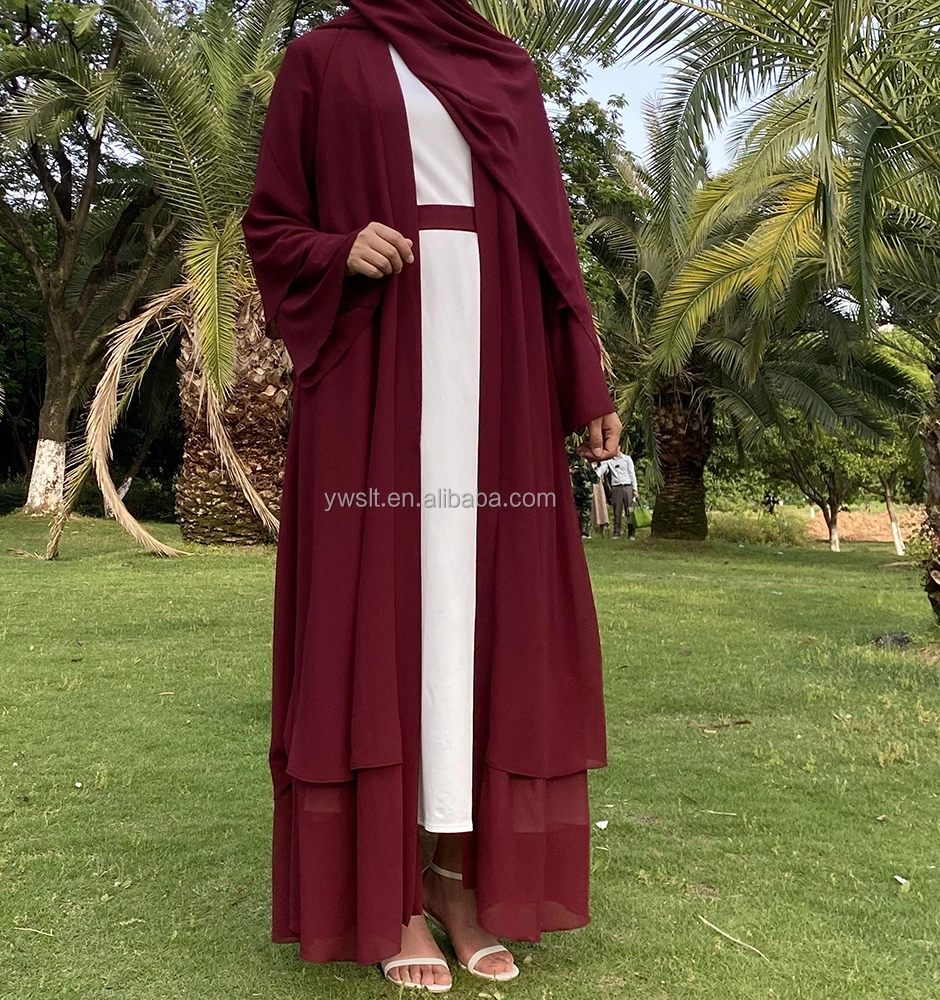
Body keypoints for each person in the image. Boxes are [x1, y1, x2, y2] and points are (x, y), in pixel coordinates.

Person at [241, 0, 621, 990]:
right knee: (382, 619)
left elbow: (549, 241)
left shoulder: (504, 69)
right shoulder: (321, 59)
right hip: (374, 366)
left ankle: (456, 884)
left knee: (485, 624)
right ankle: (392, 900)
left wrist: (584, 380)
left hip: (499, 372)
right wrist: (339, 250)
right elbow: (270, 224)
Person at [596, 451, 639, 539]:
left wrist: (635, 489)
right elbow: (602, 469)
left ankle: (631, 532)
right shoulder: (609, 460)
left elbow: (632, 473)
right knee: (617, 510)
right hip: (616, 487)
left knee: (629, 510)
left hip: (627, 486)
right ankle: (616, 532)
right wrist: (596, 474)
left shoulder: (627, 459)